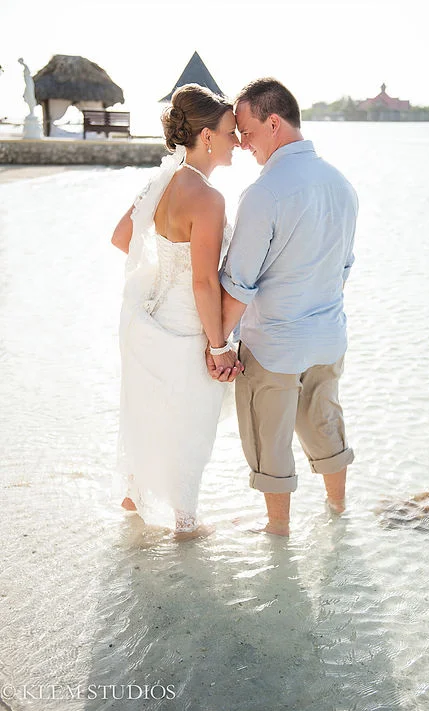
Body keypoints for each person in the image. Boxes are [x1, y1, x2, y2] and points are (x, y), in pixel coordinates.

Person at [211, 78, 357, 536]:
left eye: (247, 131)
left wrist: (218, 345)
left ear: (273, 123)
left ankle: (278, 533)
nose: (243, 143)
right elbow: (344, 267)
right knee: (324, 424)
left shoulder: (264, 193)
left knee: (268, 440)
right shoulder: (342, 184)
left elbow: (239, 284)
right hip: (328, 336)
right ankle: (338, 513)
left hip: (274, 343)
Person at [111, 84, 242, 540]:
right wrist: (219, 347)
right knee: (190, 425)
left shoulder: (163, 180)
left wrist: (163, 270)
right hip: (187, 325)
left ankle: (134, 502)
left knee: (149, 414)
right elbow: (204, 282)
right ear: (207, 136)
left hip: (150, 317)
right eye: (230, 132)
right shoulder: (208, 198)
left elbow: (121, 237)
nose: (237, 141)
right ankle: (185, 526)